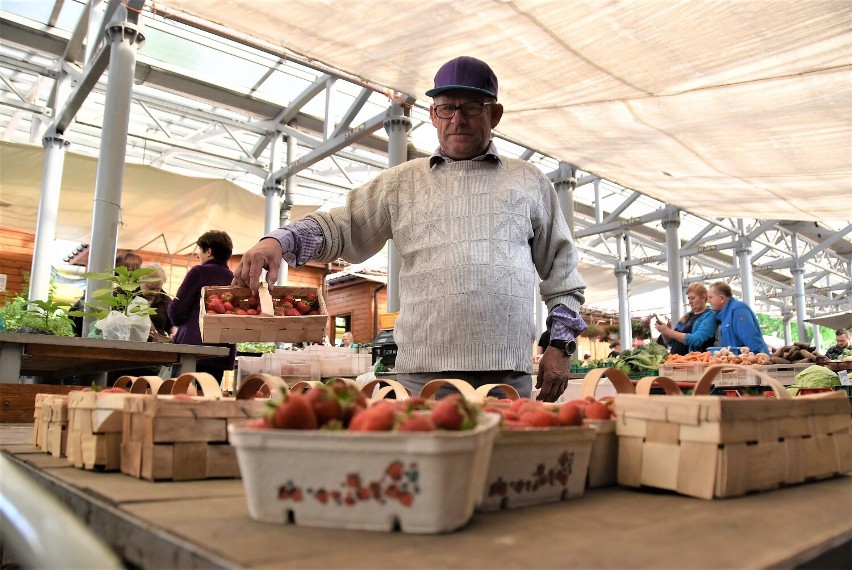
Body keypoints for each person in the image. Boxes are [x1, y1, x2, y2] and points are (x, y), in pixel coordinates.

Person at [232, 56, 587, 402]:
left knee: (503, 460)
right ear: (433, 115)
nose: (457, 119)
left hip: (506, 374)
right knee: (424, 459)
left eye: (472, 107)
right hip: (423, 376)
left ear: (494, 114)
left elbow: (562, 270)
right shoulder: (401, 183)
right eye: (447, 108)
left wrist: (560, 344)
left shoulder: (528, 181)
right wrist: (278, 241)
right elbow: (342, 224)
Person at [167, 231, 236, 381]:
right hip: (220, 348)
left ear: (209, 251)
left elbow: (177, 311)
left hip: (192, 349)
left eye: (200, 250)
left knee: (181, 394)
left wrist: (172, 313)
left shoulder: (199, 272)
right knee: (209, 395)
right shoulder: (234, 278)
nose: (199, 255)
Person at [72, 251, 143, 337]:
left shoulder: (138, 293)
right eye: (129, 270)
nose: (133, 274)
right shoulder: (108, 289)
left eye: (136, 269)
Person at [707, 281, 768, 354]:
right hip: (734, 362)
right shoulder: (724, 316)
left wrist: (758, 359)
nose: (708, 301)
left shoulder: (738, 310)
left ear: (722, 298)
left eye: (710, 297)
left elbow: (751, 339)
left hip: (749, 363)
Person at [655, 283, 717, 355]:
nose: (690, 302)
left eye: (693, 298)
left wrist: (668, 331)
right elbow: (671, 343)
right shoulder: (687, 316)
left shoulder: (709, 316)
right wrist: (664, 332)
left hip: (693, 362)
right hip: (677, 360)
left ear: (703, 297)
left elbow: (697, 340)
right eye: (689, 298)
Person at [139, 263, 173, 341]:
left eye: (158, 289)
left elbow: (171, 325)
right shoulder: (127, 293)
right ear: (141, 281)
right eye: (150, 288)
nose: (154, 292)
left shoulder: (165, 299)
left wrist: (174, 333)